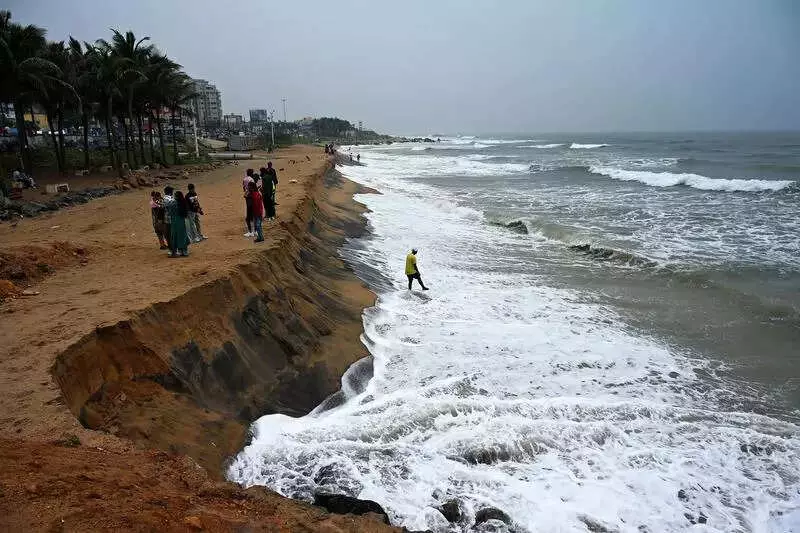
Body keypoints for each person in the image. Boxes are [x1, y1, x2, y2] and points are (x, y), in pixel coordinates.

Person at [167, 190, 191, 257]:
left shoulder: (173, 203)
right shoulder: (183, 203)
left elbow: (169, 212)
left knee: (175, 236)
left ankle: (176, 251)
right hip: (182, 221)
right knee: (183, 235)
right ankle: (184, 251)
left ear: (176, 197)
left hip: (175, 221)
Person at [162, 185, 175, 252]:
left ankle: (171, 249)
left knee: (168, 235)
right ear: (170, 192)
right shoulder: (171, 199)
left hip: (167, 219)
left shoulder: (164, 199)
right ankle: (173, 249)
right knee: (172, 235)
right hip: (172, 219)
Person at [243, 168, 255, 237]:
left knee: (249, 213)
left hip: (247, 196)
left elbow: (244, 188)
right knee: (252, 214)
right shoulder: (252, 180)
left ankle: (250, 232)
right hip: (252, 196)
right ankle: (254, 231)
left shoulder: (245, 179)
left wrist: (246, 192)